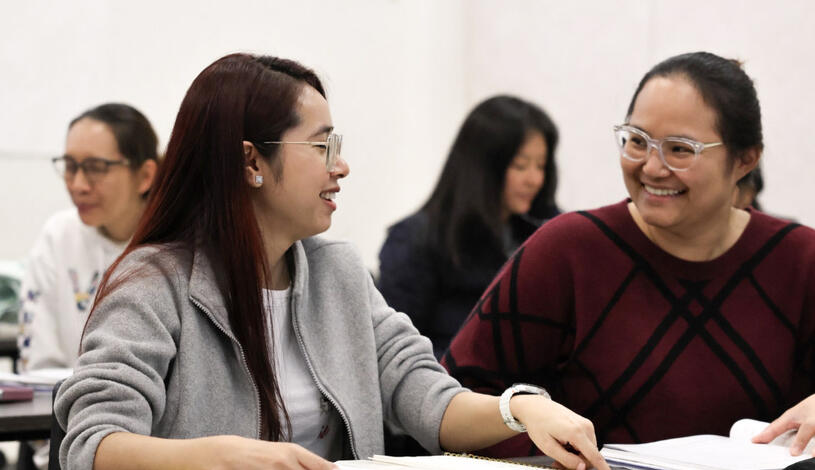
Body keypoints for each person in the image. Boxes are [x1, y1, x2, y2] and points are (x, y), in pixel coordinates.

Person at [53, 53, 609, 470]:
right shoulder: (153, 283)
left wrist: (521, 410)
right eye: (323, 147)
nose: (340, 167)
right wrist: (218, 457)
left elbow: (427, 399)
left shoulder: (338, 273)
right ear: (252, 161)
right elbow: (91, 442)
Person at [443, 51, 815, 458]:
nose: (652, 168)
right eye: (637, 142)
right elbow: (449, 401)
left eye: (680, 149)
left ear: (745, 160)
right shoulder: (567, 251)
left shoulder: (801, 261)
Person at [378, 95, 559, 358]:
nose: (535, 179)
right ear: (482, 167)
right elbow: (396, 355)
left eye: (541, 166)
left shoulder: (543, 232)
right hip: (455, 390)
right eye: (520, 165)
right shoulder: (416, 239)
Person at [18, 103, 159, 372]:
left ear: (144, 176)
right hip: (65, 409)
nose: (79, 185)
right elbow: (38, 366)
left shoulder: (177, 247)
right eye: (70, 166)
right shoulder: (58, 237)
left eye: (96, 167)